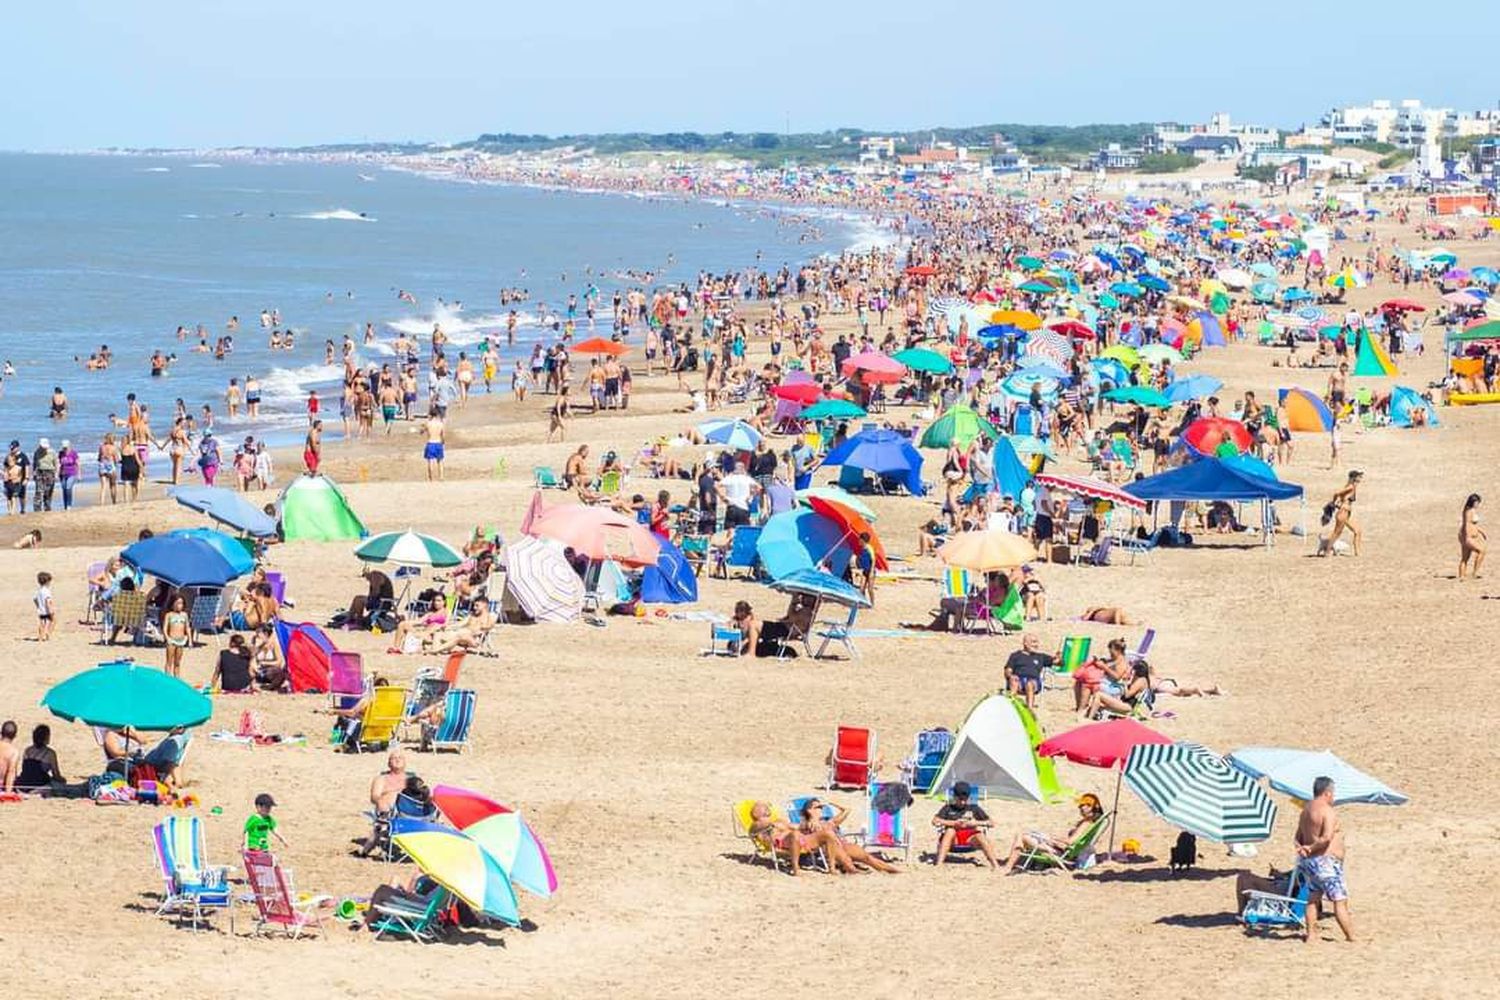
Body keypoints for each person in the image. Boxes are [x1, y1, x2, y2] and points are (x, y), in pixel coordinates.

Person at [1295, 776, 1355, 943]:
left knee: (1313, 898)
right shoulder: (1327, 811)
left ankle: (1311, 935)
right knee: (1339, 900)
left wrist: (1304, 848)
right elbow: (1327, 837)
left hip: (1311, 863)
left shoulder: (1306, 810)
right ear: (1327, 793)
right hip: (1326, 862)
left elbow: (1297, 837)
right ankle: (1351, 936)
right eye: (1333, 794)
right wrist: (1312, 847)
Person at [997, 793, 1107, 875]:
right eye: (1080, 806)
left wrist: (1053, 839)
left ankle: (1008, 867)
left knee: (1022, 836)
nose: (1080, 808)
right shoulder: (1090, 823)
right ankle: (1013, 865)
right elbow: (1075, 843)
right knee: (1024, 834)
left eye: (1083, 806)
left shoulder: (1086, 824)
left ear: (1092, 807)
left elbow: (1070, 842)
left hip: (1060, 853)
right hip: (1061, 850)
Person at [746, 801, 856, 876]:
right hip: (783, 843)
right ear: (756, 813)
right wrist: (772, 823)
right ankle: (795, 868)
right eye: (763, 808)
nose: (767, 808)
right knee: (795, 834)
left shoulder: (779, 821)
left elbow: (796, 826)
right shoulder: (756, 825)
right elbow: (756, 829)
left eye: (766, 807)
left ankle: (831, 868)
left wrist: (809, 824)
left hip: (800, 839)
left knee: (827, 833)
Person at [798, 796, 900, 873]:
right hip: (830, 849)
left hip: (843, 845)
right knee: (847, 862)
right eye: (818, 807)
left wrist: (830, 802)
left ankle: (894, 871)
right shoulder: (806, 824)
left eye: (822, 807)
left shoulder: (829, 822)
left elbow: (847, 810)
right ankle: (854, 872)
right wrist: (810, 821)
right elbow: (802, 833)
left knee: (868, 858)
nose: (821, 809)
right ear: (809, 810)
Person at [932, 782, 999, 868]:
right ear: (954, 797)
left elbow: (991, 823)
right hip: (953, 839)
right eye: (960, 799)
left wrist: (975, 823)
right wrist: (953, 823)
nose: (963, 802)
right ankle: (939, 864)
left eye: (965, 799)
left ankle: (995, 865)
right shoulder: (948, 807)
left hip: (970, 839)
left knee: (980, 835)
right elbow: (935, 820)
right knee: (950, 831)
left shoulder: (974, 808)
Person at [1004, 632, 1055, 711]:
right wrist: (1010, 676)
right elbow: (1008, 670)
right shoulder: (1015, 655)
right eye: (1033, 642)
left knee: (1029, 684)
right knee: (1014, 680)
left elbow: (1059, 662)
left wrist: (1060, 658)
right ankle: (1011, 705)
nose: (1036, 644)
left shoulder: (1041, 657)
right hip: (1018, 681)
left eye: (1037, 642)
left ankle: (1029, 709)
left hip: (1034, 682)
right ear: (1025, 643)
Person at [1318, 470, 1362, 557]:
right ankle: (1327, 551)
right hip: (1343, 512)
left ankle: (1357, 552)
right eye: (1358, 477)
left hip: (1346, 513)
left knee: (1357, 531)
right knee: (1337, 533)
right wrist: (1333, 502)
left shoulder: (1352, 487)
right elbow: (1336, 493)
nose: (1360, 479)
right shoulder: (1350, 487)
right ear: (1353, 478)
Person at [15, 723, 65, 794]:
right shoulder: (50, 753)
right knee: (58, 785)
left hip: (24, 783)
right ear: (46, 738)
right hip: (39, 784)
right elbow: (56, 774)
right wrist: (62, 780)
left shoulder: (28, 750)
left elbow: (25, 769)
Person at [1459, 493, 1486, 580]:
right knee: (1481, 551)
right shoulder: (1469, 511)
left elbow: (1473, 524)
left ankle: (1462, 576)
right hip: (1468, 537)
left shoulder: (1469, 510)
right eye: (1477, 502)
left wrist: (1480, 531)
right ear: (1473, 502)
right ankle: (1474, 573)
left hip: (1469, 536)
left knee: (1465, 558)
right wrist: (1467, 537)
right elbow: (1467, 524)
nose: (1478, 504)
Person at [162, 594, 189, 678]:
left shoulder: (184, 615)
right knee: (169, 661)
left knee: (177, 662)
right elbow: (165, 628)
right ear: (173, 604)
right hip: (172, 640)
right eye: (177, 603)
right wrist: (167, 638)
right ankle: (167, 678)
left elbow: (187, 627)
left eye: (181, 603)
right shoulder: (169, 615)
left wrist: (189, 639)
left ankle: (177, 678)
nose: (179, 606)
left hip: (181, 640)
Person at [424, 410, 446, 481]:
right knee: (440, 461)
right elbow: (443, 435)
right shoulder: (440, 424)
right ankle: (441, 477)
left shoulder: (428, 423)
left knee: (430, 461)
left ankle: (431, 478)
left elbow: (422, 431)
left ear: (430, 415)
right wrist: (443, 442)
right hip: (438, 442)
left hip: (430, 442)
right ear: (437, 415)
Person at [33, 571, 55, 642]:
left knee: (42, 623)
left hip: (41, 610)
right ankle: (48, 633)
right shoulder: (46, 591)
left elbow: (35, 599)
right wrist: (50, 610)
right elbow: (48, 601)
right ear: (47, 582)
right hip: (47, 610)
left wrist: (38, 606)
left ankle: (40, 637)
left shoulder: (39, 591)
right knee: (53, 621)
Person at [0, 720, 19, 792]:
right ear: (15, 736)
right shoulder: (13, 752)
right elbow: (11, 773)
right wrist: (8, 793)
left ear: (1, 733)